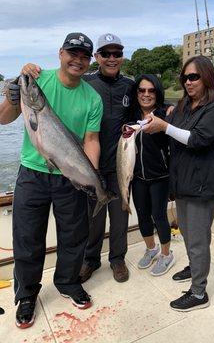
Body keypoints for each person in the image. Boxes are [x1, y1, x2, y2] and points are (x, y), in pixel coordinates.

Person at [0, 33, 103, 328]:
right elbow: (4, 119)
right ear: (60, 54)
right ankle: (28, 295)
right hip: (32, 174)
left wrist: (90, 177)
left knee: (74, 237)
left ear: (89, 62)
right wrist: (12, 93)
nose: (78, 60)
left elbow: (91, 140)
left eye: (84, 57)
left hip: (70, 177)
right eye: (73, 54)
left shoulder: (92, 98)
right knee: (27, 239)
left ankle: (68, 282)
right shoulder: (36, 79)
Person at [22, 33, 134, 283]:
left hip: (117, 162)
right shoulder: (87, 81)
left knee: (119, 217)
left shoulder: (130, 84)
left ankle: (117, 260)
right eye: (106, 53)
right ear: (98, 58)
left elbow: (142, 110)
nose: (112, 58)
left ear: (122, 57)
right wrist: (26, 72)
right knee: (91, 220)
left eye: (117, 53)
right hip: (84, 165)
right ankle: (90, 260)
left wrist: (164, 111)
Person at [143, 55, 214, 311]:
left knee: (198, 240)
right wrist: (155, 121)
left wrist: (165, 126)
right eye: (185, 78)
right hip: (182, 184)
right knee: (190, 234)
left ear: (207, 77)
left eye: (194, 77)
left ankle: (199, 293)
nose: (188, 82)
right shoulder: (182, 106)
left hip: (203, 187)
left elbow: (198, 139)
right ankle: (194, 268)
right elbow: (171, 132)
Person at [130, 74, 175, 276]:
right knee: (142, 215)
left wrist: (173, 111)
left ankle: (166, 254)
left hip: (160, 177)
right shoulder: (130, 114)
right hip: (137, 177)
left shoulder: (167, 112)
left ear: (157, 92)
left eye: (151, 90)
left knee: (159, 216)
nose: (146, 94)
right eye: (142, 90)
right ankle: (151, 249)